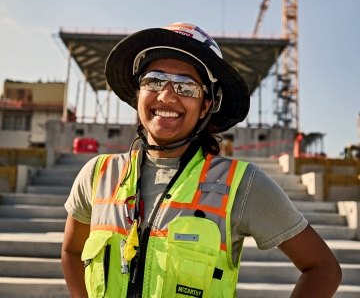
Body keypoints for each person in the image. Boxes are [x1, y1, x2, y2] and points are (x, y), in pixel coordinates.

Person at [61, 22, 341, 298]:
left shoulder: (242, 185)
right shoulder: (98, 174)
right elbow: (72, 251)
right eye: (154, 80)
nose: (167, 95)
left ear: (207, 104)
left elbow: (323, 269)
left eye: (186, 86)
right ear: (138, 94)